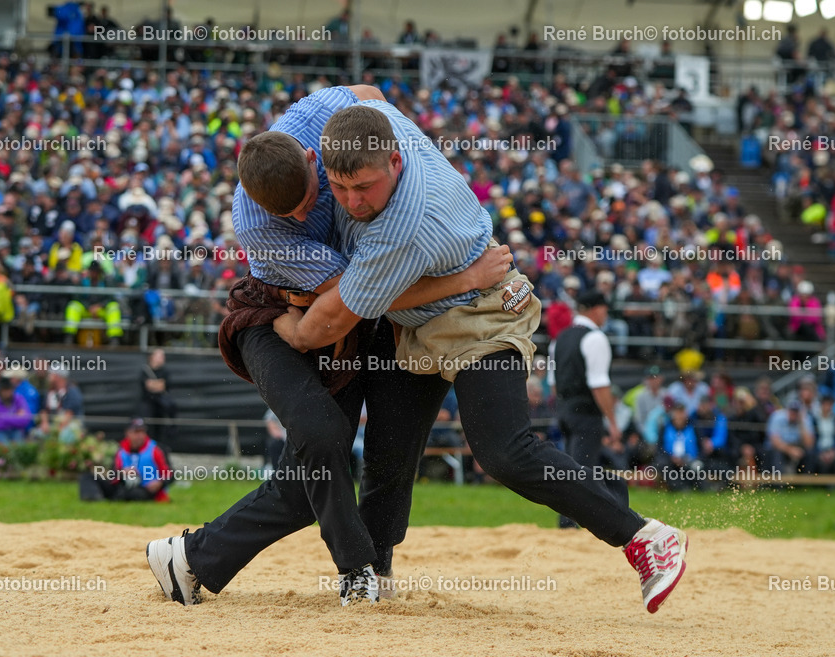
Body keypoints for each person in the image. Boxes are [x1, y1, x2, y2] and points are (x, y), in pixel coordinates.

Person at [271, 102, 688, 612]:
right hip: (422, 325)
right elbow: (364, 88)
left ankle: (645, 536)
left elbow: (338, 316)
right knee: (387, 448)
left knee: (504, 451)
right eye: (340, 188)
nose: (353, 203)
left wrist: (287, 331)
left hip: (482, 313)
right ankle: (373, 574)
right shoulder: (384, 125)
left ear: (396, 163)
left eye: (366, 188)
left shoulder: (404, 226)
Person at [147, 86, 510, 607]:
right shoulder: (256, 225)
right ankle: (358, 569)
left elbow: (369, 95)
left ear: (314, 155)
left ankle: (186, 559)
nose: (300, 220)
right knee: (321, 436)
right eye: (285, 214)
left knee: (312, 481)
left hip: (339, 320)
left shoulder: (320, 116)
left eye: (306, 204)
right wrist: (466, 277)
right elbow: (355, 295)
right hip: (274, 315)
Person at [550, 289, 620, 528]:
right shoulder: (595, 338)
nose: (606, 313)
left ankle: (567, 518)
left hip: (564, 409)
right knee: (583, 469)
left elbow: (553, 383)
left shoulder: (559, 338)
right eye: (604, 309)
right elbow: (599, 385)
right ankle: (572, 522)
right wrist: (612, 422)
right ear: (596, 309)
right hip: (586, 412)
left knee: (571, 465)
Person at [79, 418, 171, 502]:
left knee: (135, 494)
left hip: (145, 488)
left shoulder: (156, 449)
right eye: (136, 432)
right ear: (128, 433)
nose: (140, 436)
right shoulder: (120, 450)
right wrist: (122, 472)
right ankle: (93, 498)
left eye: (142, 432)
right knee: (88, 477)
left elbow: (170, 474)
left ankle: (114, 498)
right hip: (123, 485)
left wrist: (160, 482)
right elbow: (113, 474)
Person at [764, 400, 816, 474]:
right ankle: (779, 483)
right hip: (779, 448)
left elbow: (809, 444)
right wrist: (790, 450)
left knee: (809, 453)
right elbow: (774, 442)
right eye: (792, 411)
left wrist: (801, 424)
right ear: (787, 410)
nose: (793, 414)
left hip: (796, 447)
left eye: (796, 411)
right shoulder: (777, 417)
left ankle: (805, 482)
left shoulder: (805, 419)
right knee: (776, 454)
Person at [139, 347, 177, 443]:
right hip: (148, 404)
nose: (163, 358)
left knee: (161, 429)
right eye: (160, 356)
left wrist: (154, 384)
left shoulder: (165, 371)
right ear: (152, 357)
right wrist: (157, 384)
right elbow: (148, 385)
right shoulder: (145, 370)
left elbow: (162, 386)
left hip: (161, 406)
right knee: (148, 427)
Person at [0, 377, 32, 444]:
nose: (8, 392)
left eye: (9, 390)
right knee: (5, 449)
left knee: (20, 449)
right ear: (0, 390)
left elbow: (25, 419)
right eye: (5, 390)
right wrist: (15, 417)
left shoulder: (18, 398)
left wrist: (2, 418)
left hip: (16, 430)